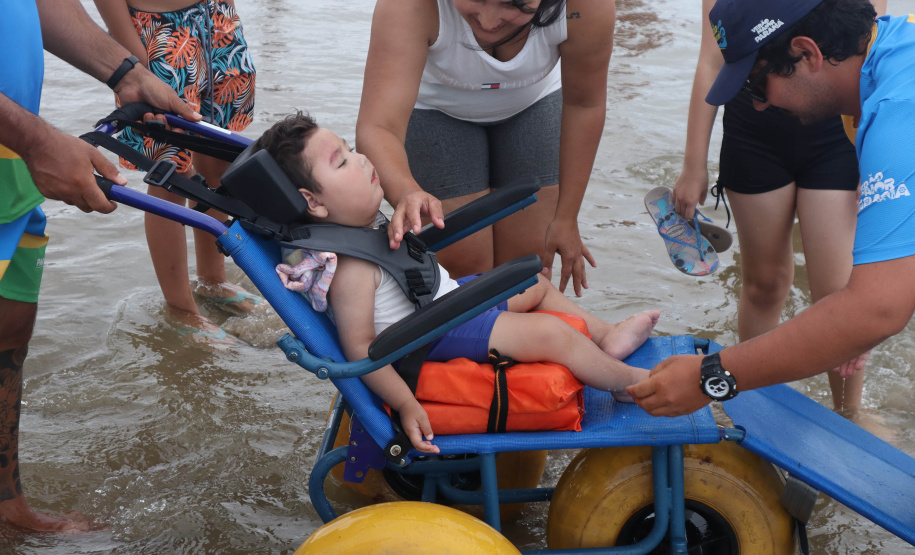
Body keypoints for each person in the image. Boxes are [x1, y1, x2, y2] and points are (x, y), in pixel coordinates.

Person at [253, 112, 661, 453]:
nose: (361, 159)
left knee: (534, 283)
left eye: (350, 148)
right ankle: (631, 384)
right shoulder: (350, 270)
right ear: (314, 202)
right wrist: (406, 403)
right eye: (341, 162)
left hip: (444, 306)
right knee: (552, 334)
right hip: (430, 337)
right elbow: (361, 352)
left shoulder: (364, 227)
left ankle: (607, 335)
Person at [628, 0, 915, 417]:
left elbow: (878, 309)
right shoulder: (890, 51)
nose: (758, 106)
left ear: (809, 53)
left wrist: (712, 374)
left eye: (755, 86)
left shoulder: (895, 116)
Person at [0, 0, 200, 531]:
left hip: (9, 159)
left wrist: (125, 71)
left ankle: (5, 504)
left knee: (9, 319)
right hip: (20, 139)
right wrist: (37, 140)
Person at [355, 0, 615, 297]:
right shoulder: (409, 6)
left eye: (513, 5)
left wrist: (568, 217)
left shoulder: (586, 6)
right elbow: (378, 127)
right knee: (461, 268)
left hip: (533, 102)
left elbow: (585, 104)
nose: (490, 22)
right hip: (435, 110)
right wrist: (405, 191)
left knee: (526, 268)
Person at [94, 0, 258, 341]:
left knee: (220, 157)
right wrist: (135, 64)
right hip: (158, 31)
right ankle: (180, 307)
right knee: (172, 172)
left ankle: (213, 281)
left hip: (217, 17)